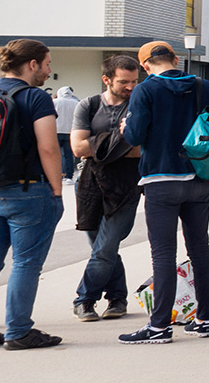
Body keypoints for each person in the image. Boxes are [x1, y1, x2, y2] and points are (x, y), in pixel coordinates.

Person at [119, 40, 209, 344]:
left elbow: (135, 136)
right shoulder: (204, 86)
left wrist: (126, 127)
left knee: (163, 254)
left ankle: (159, 326)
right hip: (198, 178)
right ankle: (204, 319)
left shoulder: (146, 90)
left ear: (145, 65)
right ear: (175, 59)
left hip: (160, 180)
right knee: (200, 249)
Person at [0, 39, 64, 350]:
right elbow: (48, 147)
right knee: (26, 263)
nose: (49, 71)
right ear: (32, 64)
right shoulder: (35, 97)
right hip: (26, 191)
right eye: (47, 64)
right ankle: (19, 331)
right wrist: (57, 191)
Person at [70, 55, 142, 323]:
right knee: (102, 248)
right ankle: (117, 297)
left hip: (126, 186)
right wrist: (122, 141)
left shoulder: (139, 105)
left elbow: (142, 150)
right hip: (90, 184)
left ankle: (84, 300)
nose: (131, 87)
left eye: (135, 81)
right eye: (124, 82)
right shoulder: (88, 106)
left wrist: (97, 145)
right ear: (107, 80)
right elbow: (77, 147)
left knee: (105, 246)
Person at [53, 86, 80, 183]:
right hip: (70, 131)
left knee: (56, 154)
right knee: (69, 155)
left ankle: (57, 175)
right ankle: (69, 176)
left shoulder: (55, 102)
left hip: (57, 131)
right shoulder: (76, 103)